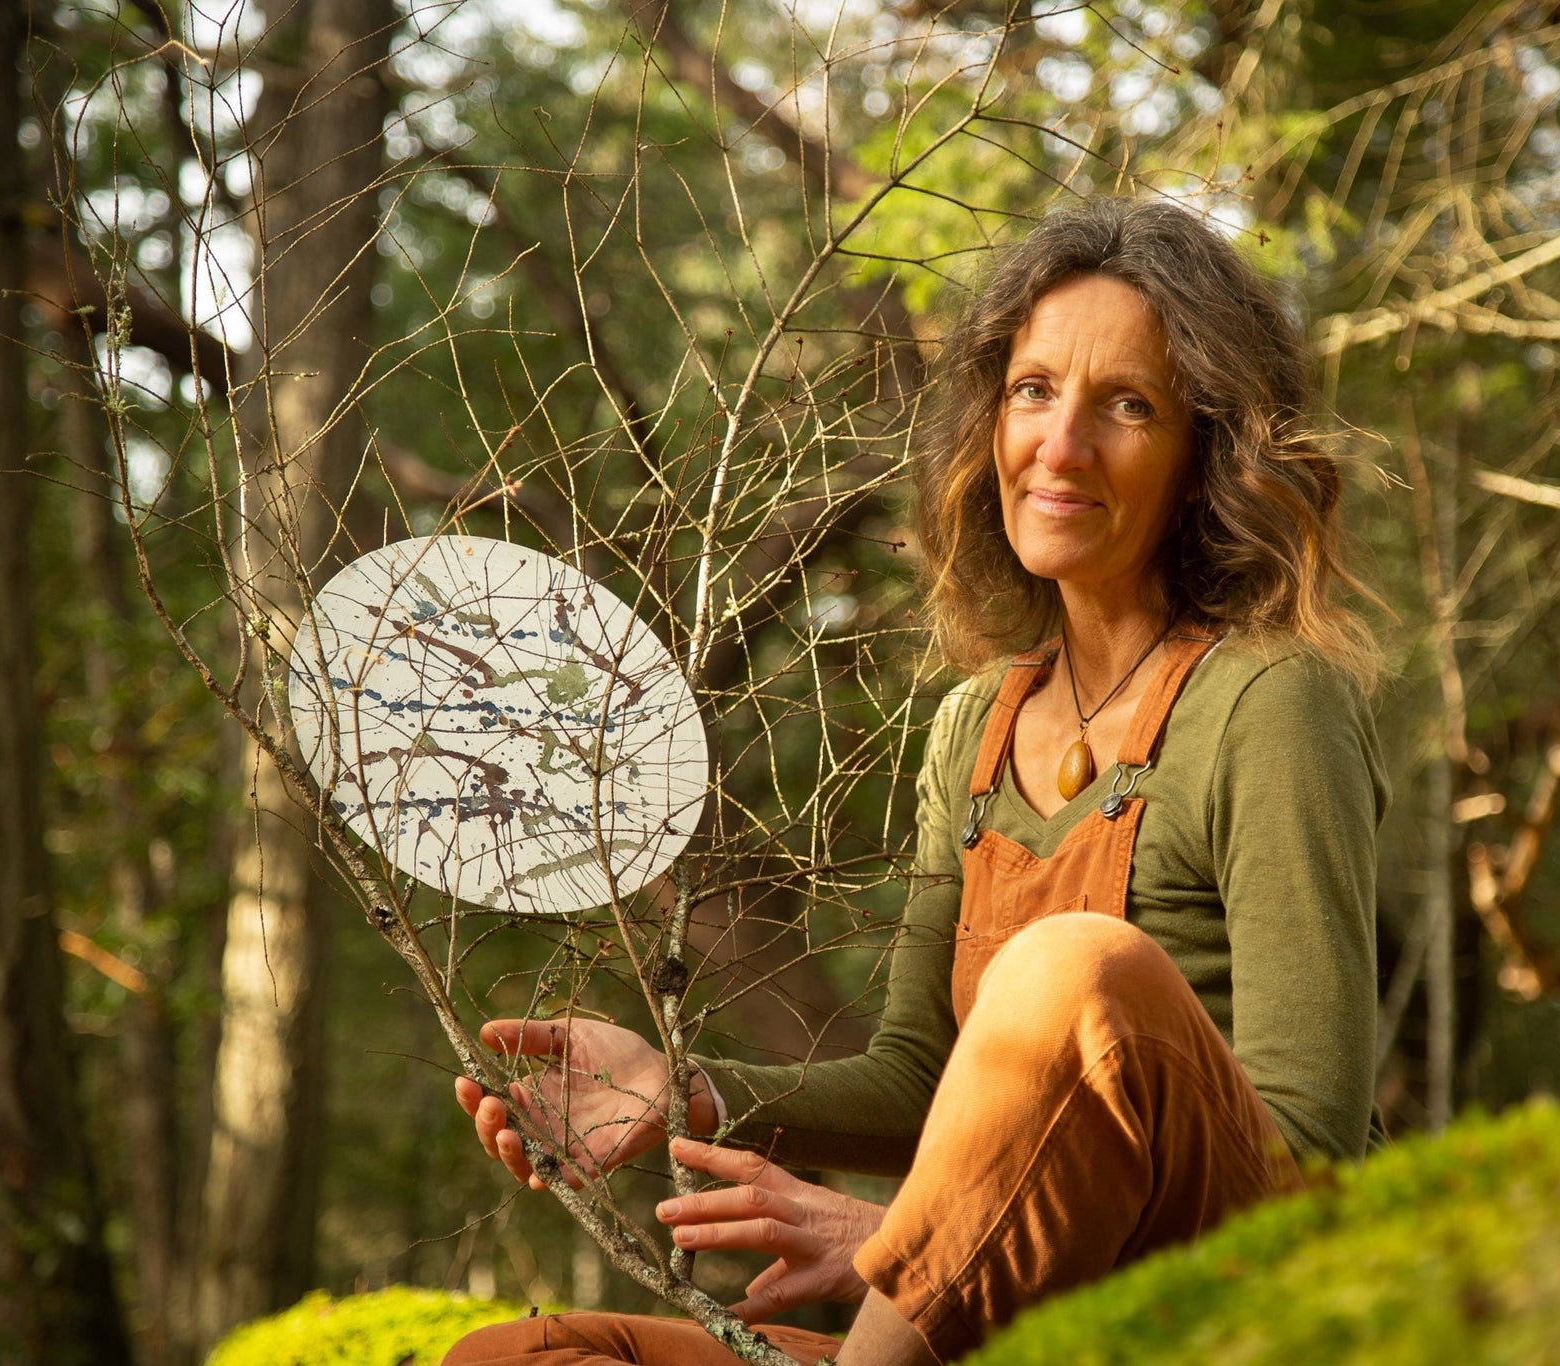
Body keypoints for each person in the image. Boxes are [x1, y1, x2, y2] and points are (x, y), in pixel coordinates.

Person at [445, 196, 1388, 1366]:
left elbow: (1310, 1159)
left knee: (1069, 969)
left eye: (1127, 405)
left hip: (1215, 1320)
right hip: (992, 1331)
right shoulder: (972, 729)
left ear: (1206, 452)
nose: (1060, 444)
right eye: (1032, 389)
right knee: (512, 1356)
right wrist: (677, 1089)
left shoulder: (1270, 701)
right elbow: (920, 1082)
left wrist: (901, 1237)